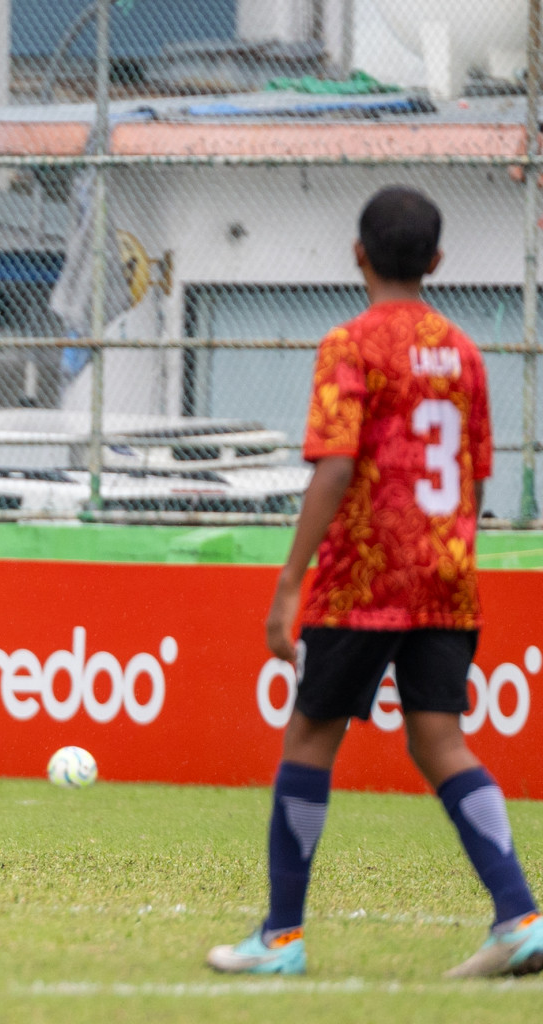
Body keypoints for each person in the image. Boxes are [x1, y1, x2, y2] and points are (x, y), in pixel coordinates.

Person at [207, 187, 542, 978]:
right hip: (449, 578)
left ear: (358, 255)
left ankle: (281, 940)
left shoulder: (351, 344)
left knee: (311, 738)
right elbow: (476, 471)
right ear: (436, 262)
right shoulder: (464, 352)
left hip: (364, 579)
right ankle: (520, 914)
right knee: (440, 739)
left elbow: (335, 464)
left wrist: (292, 583)